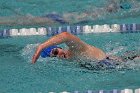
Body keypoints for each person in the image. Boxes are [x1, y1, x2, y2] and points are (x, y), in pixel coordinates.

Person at [32, 32, 122, 64]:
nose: (58, 55)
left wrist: (42, 46)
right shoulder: (70, 62)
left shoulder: (75, 50)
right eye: (54, 56)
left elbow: (66, 35)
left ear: (60, 48)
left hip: (115, 63)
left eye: (56, 52)